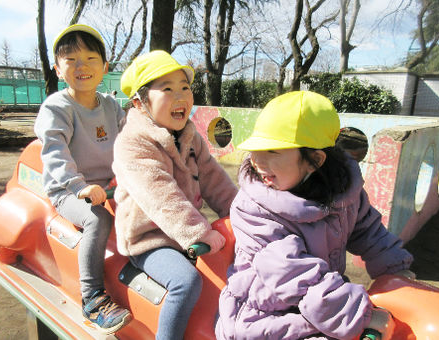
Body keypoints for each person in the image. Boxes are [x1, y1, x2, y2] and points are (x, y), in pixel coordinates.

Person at [216, 91, 414, 340]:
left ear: (316, 160)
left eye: (272, 152)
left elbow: (369, 232)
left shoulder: (343, 196)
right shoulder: (254, 208)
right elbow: (291, 273)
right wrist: (359, 316)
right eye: (256, 150)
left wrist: (396, 272)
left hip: (321, 302)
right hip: (264, 315)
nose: (257, 161)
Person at [112, 50, 238, 340]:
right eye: (167, 89)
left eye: (185, 87)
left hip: (183, 235)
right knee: (185, 280)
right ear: (139, 103)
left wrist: (242, 212)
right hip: (149, 239)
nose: (180, 96)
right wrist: (197, 232)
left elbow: (213, 177)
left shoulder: (191, 137)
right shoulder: (132, 143)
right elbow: (160, 194)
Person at [34, 24, 132, 334]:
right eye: (71, 59)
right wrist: (80, 187)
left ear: (104, 66)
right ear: (58, 69)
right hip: (69, 190)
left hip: (109, 185)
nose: (82, 66)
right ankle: (92, 298)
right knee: (98, 220)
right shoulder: (57, 108)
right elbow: (54, 155)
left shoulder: (112, 105)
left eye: (90, 58)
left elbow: (131, 143)